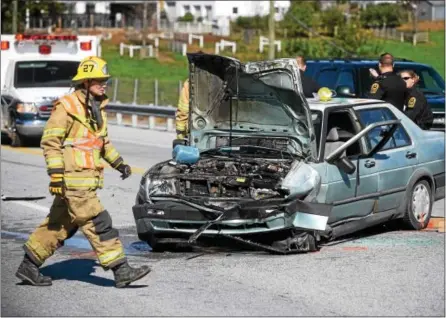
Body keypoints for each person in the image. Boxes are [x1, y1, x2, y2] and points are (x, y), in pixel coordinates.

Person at [15, 56, 151, 288]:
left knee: (58, 225)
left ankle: (28, 265)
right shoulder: (67, 107)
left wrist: (119, 164)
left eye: (105, 79)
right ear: (86, 82)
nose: (104, 83)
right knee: (99, 222)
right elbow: (51, 141)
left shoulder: (96, 108)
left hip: (84, 182)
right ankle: (121, 269)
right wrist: (56, 175)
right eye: (99, 80)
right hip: (73, 182)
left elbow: (102, 143)